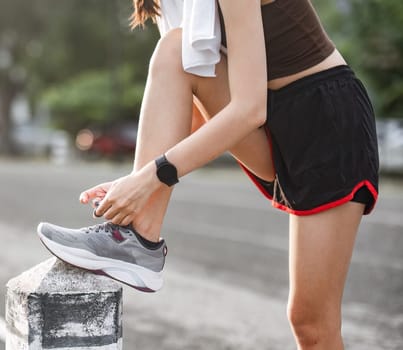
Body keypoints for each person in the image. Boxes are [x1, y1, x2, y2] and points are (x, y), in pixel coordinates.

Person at [37, 0, 379, 348]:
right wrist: (138, 181)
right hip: (271, 123)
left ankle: (135, 235)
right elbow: (192, 100)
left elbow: (248, 109)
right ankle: (138, 237)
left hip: (325, 122)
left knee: (311, 323)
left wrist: (150, 177)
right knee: (175, 50)